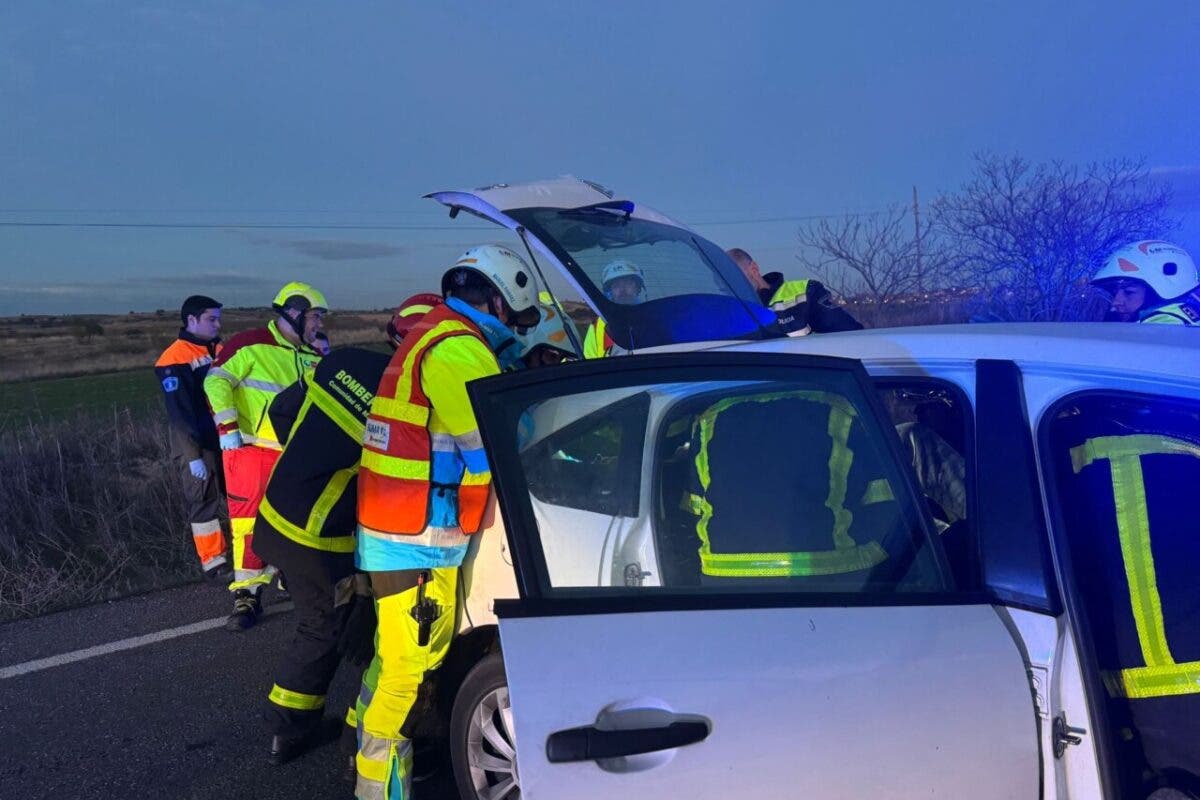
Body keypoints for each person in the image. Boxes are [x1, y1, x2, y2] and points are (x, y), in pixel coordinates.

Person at [354, 245, 540, 800]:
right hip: (419, 537)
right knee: (409, 670)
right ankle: (378, 788)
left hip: (399, 529)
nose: (513, 329)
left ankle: (362, 738)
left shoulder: (434, 335)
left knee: (394, 658)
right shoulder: (459, 350)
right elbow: (493, 447)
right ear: (495, 300)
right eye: (513, 317)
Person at [253, 294, 442, 767]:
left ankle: (300, 721)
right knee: (329, 627)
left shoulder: (344, 361)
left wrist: (311, 458)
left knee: (322, 621)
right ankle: (300, 732)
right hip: (317, 537)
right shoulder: (405, 398)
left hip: (275, 512)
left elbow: (280, 411)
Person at [204, 282, 328, 631]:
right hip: (251, 451)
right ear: (295, 312)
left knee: (297, 523)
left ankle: (292, 579)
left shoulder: (312, 357)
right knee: (248, 527)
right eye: (315, 316)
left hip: (295, 456)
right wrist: (227, 428)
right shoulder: (249, 344)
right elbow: (216, 382)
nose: (318, 324)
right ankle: (247, 596)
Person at [154, 295, 230, 581]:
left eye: (218, 318)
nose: (217, 324)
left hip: (226, 439)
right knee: (204, 502)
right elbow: (180, 415)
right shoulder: (173, 359)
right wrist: (192, 456)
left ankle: (251, 554)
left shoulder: (218, 349)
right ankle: (214, 561)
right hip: (199, 446)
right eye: (212, 319)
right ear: (192, 320)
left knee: (237, 498)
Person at [726, 247, 862, 335]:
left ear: (754, 269)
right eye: (722, 281)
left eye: (734, 276)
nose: (729, 285)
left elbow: (848, 337)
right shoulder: (731, 313)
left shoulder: (807, 293)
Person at [1090, 240, 1199, 326]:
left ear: (1155, 295)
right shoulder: (1185, 318)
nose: (1116, 302)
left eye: (1128, 292)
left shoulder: (1166, 324)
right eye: (1114, 293)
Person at [583, 259, 645, 359]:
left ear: (638, 288)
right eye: (616, 286)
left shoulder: (654, 316)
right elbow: (589, 362)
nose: (622, 290)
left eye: (628, 283)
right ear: (610, 292)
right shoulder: (598, 326)